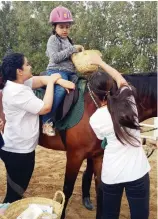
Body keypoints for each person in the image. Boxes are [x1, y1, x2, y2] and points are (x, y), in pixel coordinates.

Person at [0, 52, 74, 203]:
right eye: (27, 64)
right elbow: (46, 107)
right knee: (14, 195)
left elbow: (40, 80)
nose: (30, 66)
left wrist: (58, 80)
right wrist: (53, 83)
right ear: (19, 71)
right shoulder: (16, 92)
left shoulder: (18, 83)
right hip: (18, 153)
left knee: (17, 189)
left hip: (18, 148)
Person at [88, 54, 150, 219]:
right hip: (138, 172)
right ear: (112, 85)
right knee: (140, 215)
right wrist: (101, 62)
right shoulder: (129, 99)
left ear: (94, 94)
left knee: (109, 215)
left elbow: (103, 139)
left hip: (112, 174)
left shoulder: (95, 119)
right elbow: (118, 76)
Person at [42, 5, 84, 136]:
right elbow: (54, 57)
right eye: (61, 27)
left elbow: (70, 58)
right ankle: (46, 121)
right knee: (60, 91)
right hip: (57, 71)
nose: (65, 30)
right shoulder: (53, 39)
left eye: (67, 27)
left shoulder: (68, 41)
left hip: (71, 73)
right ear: (54, 27)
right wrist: (72, 49)